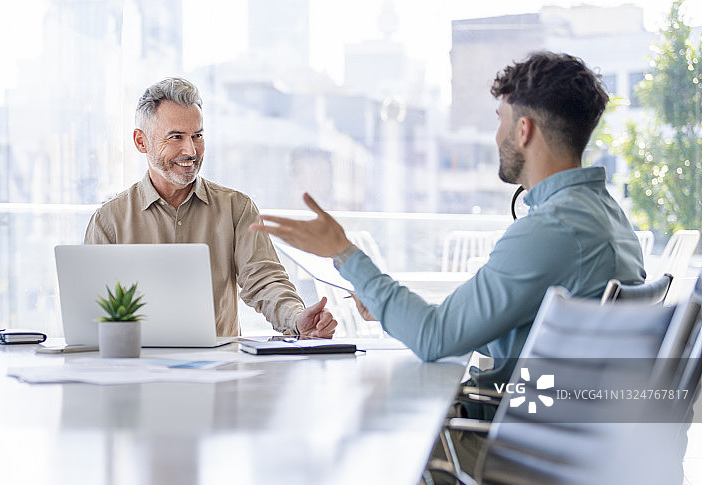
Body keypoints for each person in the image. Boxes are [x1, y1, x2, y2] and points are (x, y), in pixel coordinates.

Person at [251, 51, 645, 411]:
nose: (496, 137)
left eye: (500, 122)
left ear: (523, 130)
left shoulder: (551, 231)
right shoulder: (608, 217)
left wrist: (342, 251)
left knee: (346, 418)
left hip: (503, 446)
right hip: (559, 438)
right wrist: (392, 310)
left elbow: (434, 339)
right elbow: (486, 329)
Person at [85, 77, 336, 339]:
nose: (190, 150)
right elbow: (91, 307)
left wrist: (296, 318)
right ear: (141, 141)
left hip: (219, 369)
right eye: (176, 137)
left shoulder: (236, 208)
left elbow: (264, 280)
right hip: (135, 366)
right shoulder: (109, 220)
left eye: (198, 136)